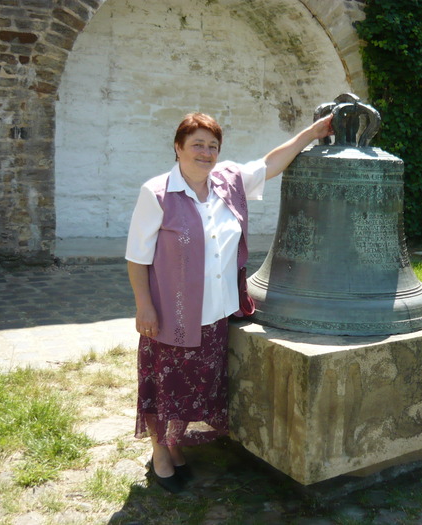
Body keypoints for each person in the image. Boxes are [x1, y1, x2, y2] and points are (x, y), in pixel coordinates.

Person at [125, 111, 333, 493]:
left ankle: (175, 445)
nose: (205, 153)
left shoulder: (228, 182)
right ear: (178, 147)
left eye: (212, 146)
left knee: (198, 386)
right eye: (197, 145)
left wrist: (313, 132)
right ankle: (160, 456)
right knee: (166, 386)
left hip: (217, 315)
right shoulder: (157, 193)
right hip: (172, 316)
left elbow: (271, 162)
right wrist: (144, 306)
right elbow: (137, 257)